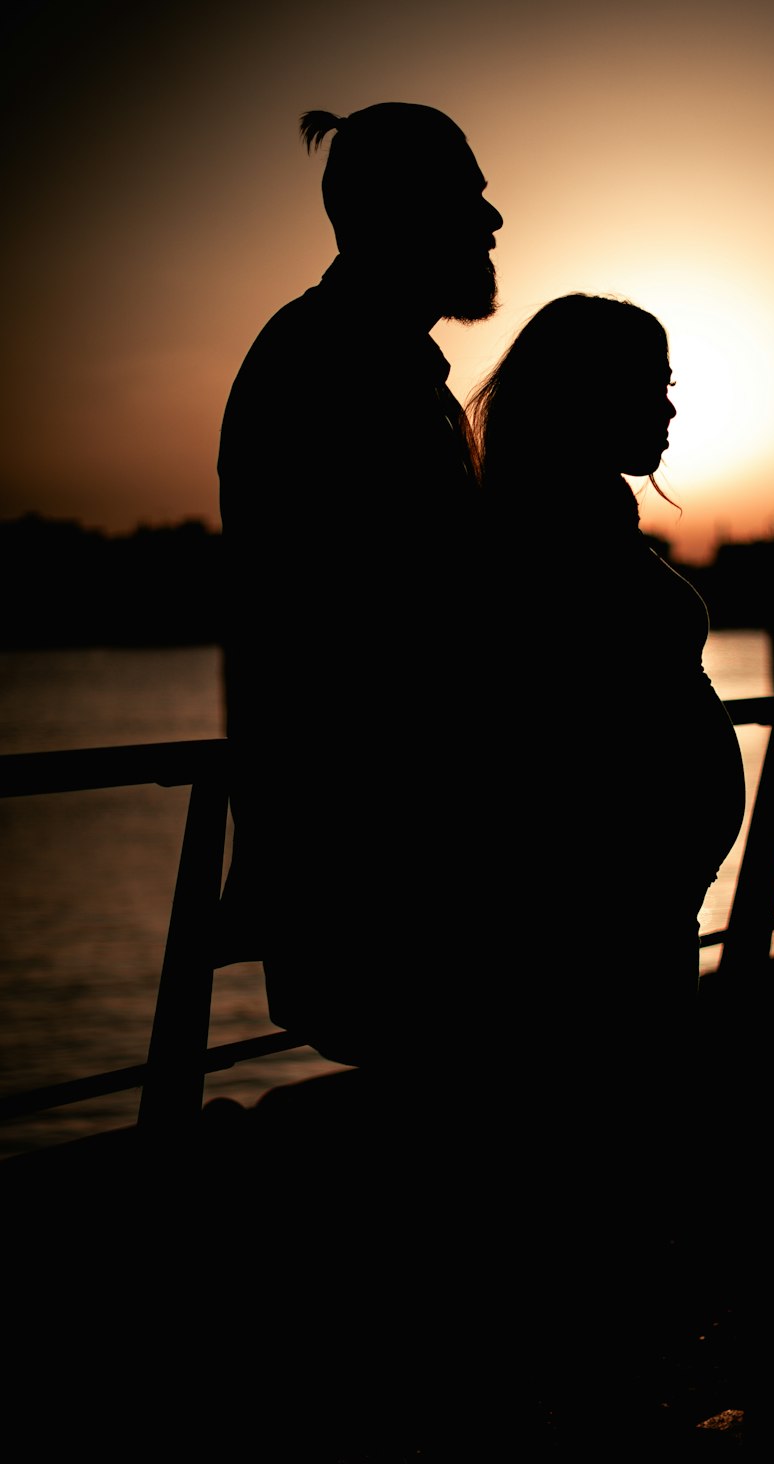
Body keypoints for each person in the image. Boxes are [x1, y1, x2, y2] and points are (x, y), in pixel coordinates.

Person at [216, 103, 503, 1067]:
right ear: (398, 213)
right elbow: (398, 629)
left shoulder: (384, 369)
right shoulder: (333, 368)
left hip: (400, 858)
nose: (493, 221)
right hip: (381, 867)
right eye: (469, 197)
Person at [467, 293, 746, 1066]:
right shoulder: (540, 540)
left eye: (670, 386)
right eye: (651, 384)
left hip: (649, 906)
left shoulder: (586, 520)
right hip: (600, 920)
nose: (668, 408)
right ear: (588, 393)